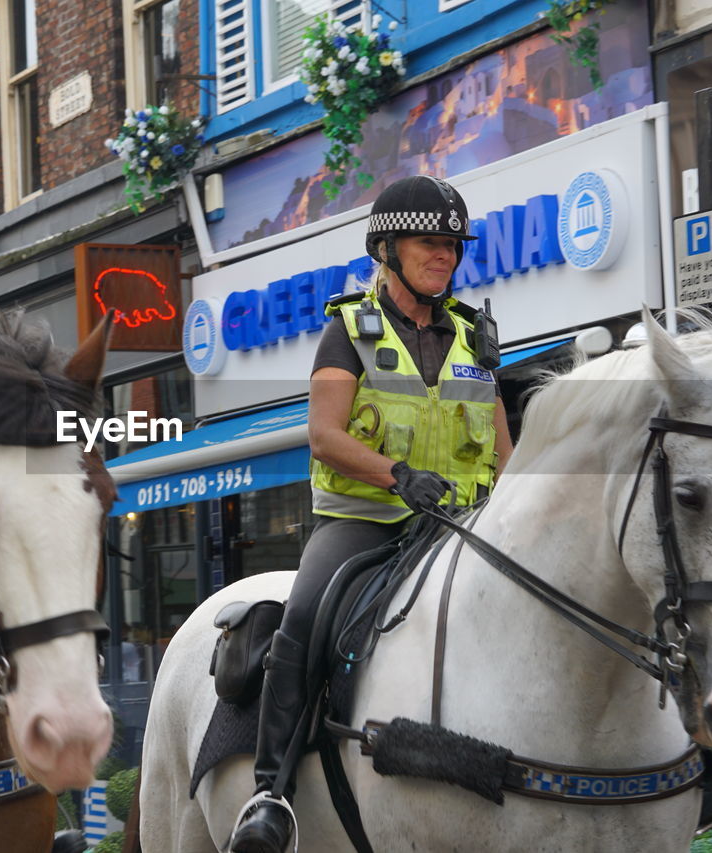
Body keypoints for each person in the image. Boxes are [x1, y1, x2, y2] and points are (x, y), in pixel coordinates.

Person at [229, 175, 513, 853]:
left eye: (452, 244)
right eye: (429, 242)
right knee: (304, 614)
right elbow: (324, 434)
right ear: (387, 247)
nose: (444, 254)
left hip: (462, 523)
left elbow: (506, 450)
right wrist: (398, 475)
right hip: (365, 521)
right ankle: (270, 793)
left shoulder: (477, 336)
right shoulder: (346, 329)